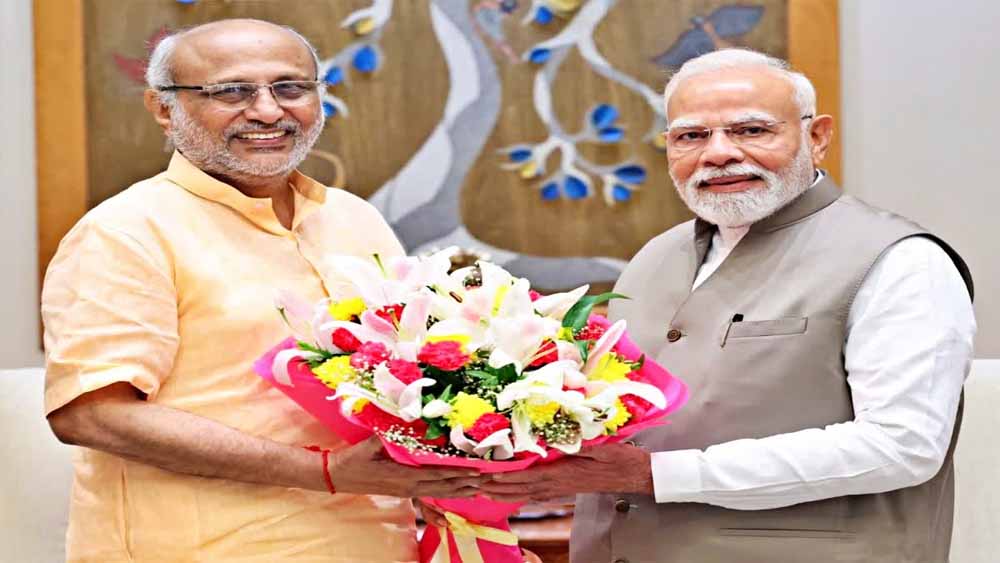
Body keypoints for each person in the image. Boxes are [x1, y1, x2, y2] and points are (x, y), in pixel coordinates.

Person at [480, 48, 976, 563]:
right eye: (691, 136)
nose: (717, 153)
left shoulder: (901, 260)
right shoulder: (655, 256)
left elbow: (902, 446)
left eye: (751, 130)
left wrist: (654, 475)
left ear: (817, 137)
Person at [42, 19, 482, 562]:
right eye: (232, 92)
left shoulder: (352, 218)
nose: (269, 111)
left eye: (291, 88)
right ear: (163, 108)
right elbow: (90, 414)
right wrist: (324, 471)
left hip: (376, 543)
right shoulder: (125, 231)